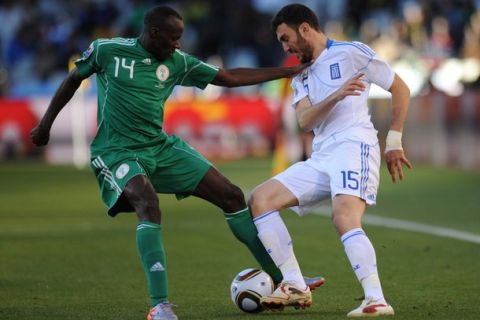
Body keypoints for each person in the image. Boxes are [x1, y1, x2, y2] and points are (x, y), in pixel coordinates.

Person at [30, 5, 325, 320]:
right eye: (173, 38)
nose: (178, 45)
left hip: (159, 147)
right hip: (116, 151)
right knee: (148, 202)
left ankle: (285, 281)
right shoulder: (107, 51)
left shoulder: (176, 62)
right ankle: (159, 306)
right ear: (153, 33)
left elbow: (227, 77)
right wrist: (45, 125)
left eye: (180, 38)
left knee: (232, 195)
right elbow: (73, 79)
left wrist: (286, 71)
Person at [248, 3, 412, 317]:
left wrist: (394, 140)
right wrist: (336, 95)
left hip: (354, 144)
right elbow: (305, 120)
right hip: (322, 155)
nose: (285, 47)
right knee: (260, 198)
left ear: (305, 29)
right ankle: (294, 283)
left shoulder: (352, 52)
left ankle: (376, 299)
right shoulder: (300, 74)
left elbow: (399, 88)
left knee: (343, 217)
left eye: (286, 38)